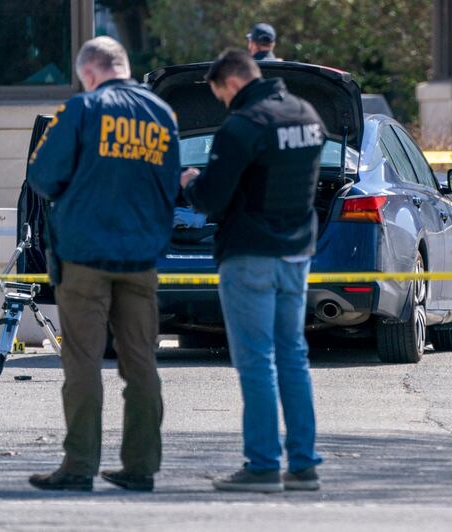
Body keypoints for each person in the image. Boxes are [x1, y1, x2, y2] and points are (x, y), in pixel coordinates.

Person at [26, 36, 181, 492]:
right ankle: (140, 468)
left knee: (82, 364)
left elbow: (41, 176)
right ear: (125, 67)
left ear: (88, 72)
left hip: (84, 257)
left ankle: (79, 467)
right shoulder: (162, 114)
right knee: (141, 365)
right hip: (140, 258)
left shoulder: (80, 110)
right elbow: (170, 185)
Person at [180, 49, 324, 493]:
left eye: (220, 93)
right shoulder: (306, 115)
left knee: (256, 360)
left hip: (249, 257)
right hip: (296, 254)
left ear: (231, 83)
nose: (222, 102)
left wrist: (189, 182)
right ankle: (302, 465)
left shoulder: (242, 126)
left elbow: (212, 199)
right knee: (292, 357)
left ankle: (262, 465)